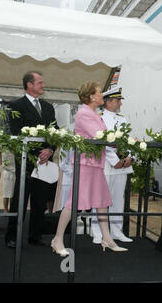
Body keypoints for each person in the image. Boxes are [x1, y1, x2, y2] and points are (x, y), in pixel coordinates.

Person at [51, 82, 127, 256]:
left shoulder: (93, 113)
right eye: (100, 92)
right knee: (73, 202)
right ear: (92, 96)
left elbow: (105, 136)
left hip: (95, 164)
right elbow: (100, 136)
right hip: (85, 165)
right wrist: (126, 141)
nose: (102, 95)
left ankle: (106, 239)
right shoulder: (84, 113)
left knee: (101, 202)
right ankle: (57, 239)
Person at [5, 71, 57, 249]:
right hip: (26, 161)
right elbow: (14, 133)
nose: (43, 85)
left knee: (40, 199)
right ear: (29, 85)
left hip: (44, 161)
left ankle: (35, 235)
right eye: (40, 82)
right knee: (20, 198)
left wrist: (50, 150)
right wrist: (35, 152)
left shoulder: (49, 107)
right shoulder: (15, 105)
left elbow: (55, 133)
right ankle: (12, 236)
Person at [91, 86, 133, 244]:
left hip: (122, 166)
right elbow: (101, 143)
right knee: (101, 199)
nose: (120, 104)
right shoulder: (99, 118)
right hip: (107, 165)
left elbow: (129, 141)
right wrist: (115, 161)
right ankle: (97, 232)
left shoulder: (123, 119)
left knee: (117, 199)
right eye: (117, 101)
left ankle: (116, 230)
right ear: (108, 102)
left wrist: (131, 157)